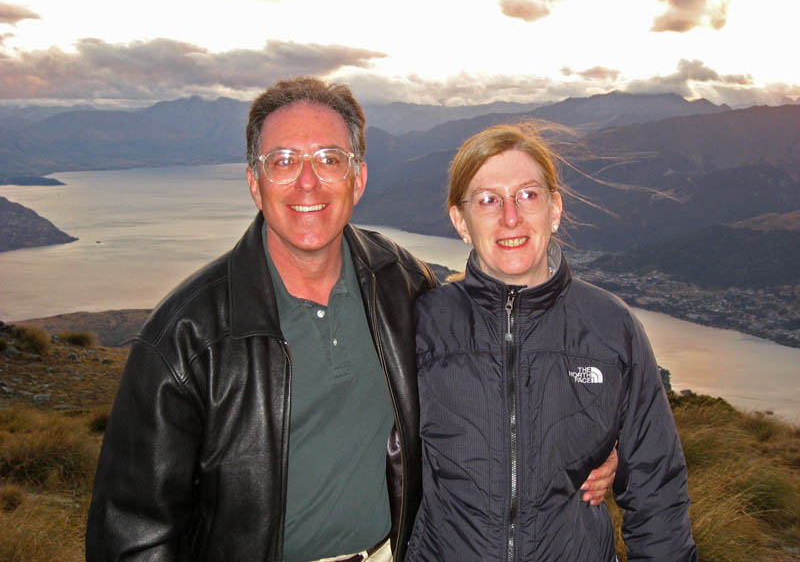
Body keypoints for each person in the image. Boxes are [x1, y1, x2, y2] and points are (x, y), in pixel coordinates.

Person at [86, 78, 616, 562]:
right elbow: (133, 535)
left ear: (357, 179)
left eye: (330, 159)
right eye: (284, 160)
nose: (308, 182)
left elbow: (486, 369)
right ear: (254, 182)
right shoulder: (187, 337)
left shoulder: (400, 283)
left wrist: (582, 445)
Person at [405, 123, 697, 561]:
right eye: (488, 200)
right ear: (460, 222)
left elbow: (657, 490)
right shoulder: (423, 326)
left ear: (555, 209)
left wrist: (608, 449)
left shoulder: (610, 327)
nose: (510, 217)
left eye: (528, 195)